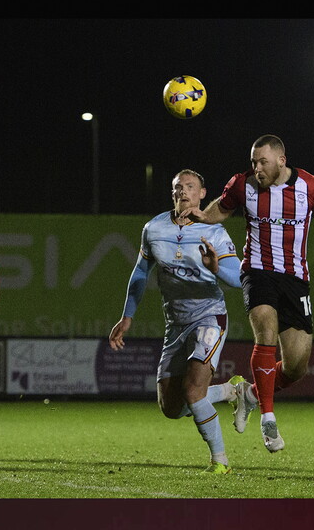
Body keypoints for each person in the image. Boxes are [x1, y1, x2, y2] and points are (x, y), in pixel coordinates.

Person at [183, 135, 314, 452]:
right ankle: (268, 420)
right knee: (265, 331)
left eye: (262, 162)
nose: (256, 168)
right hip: (257, 272)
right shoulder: (241, 184)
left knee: (296, 367)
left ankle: (247, 394)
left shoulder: (312, 187)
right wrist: (202, 216)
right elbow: (222, 207)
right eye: (253, 162)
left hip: (295, 279)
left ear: (281, 161)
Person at [109, 169, 243, 474]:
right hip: (176, 325)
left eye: (190, 187)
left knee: (194, 391)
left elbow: (238, 278)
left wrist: (216, 266)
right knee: (171, 408)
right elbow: (141, 273)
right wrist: (127, 316)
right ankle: (232, 392)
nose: (183, 191)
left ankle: (219, 460)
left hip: (210, 316)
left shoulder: (215, 232)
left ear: (202, 194)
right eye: (177, 187)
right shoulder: (153, 228)